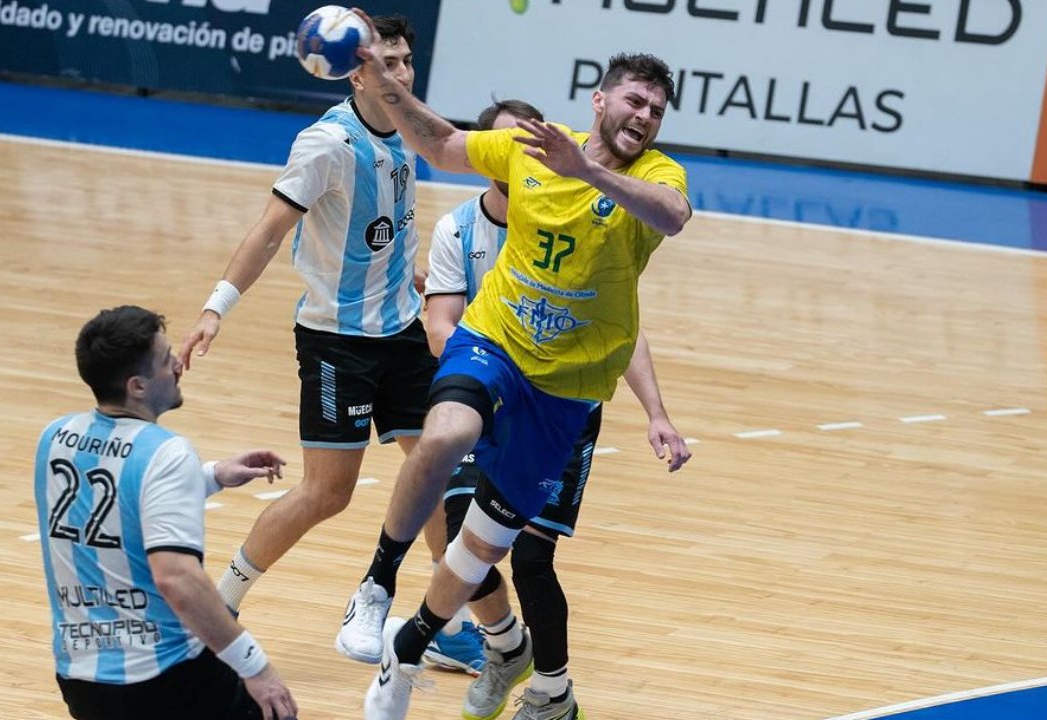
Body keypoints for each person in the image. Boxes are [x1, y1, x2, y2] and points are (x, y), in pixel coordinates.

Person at [338, 15, 694, 718]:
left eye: (656, 110)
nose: (645, 116)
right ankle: (379, 579)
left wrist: (586, 170)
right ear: (600, 100)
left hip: (566, 391)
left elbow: (674, 215)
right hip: (495, 341)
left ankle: (407, 648)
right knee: (441, 438)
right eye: (634, 101)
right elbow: (440, 143)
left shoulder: (655, 174)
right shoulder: (531, 146)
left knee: (485, 548)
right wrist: (382, 83)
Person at [177, 14, 478, 670]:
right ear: (356, 68)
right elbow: (266, 232)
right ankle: (220, 605)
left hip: (402, 329)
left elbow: (387, 225)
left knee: (438, 473)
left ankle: (448, 625)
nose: (400, 73)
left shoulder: (408, 128)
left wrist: (422, 276)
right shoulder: (326, 145)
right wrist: (214, 309)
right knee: (327, 493)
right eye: (387, 62)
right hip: (337, 341)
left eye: (406, 61)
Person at [423, 98, 692, 720]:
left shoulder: (579, 212)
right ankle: (503, 646)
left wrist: (656, 412)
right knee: (460, 532)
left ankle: (552, 690)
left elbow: (620, 330)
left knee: (532, 556)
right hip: (487, 393)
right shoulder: (458, 232)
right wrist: (476, 380)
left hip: (561, 405)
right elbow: (440, 328)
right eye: (499, 148)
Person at [34, 305, 298, 720]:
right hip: (166, 675)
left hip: (80, 678)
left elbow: (115, 502)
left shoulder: (55, 438)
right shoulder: (167, 452)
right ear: (137, 386)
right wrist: (256, 667)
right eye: (165, 358)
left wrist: (211, 475)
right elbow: (177, 579)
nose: (177, 363)